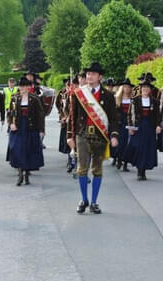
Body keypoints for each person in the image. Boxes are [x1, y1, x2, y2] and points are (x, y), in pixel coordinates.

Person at [67, 62, 118, 214]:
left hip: (99, 136)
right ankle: (84, 199)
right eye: (88, 74)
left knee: (97, 169)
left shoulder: (108, 96)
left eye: (93, 74)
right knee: (82, 169)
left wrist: (114, 135)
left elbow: (113, 119)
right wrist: (70, 136)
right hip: (82, 136)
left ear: (100, 77)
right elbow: (72, 116)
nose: (89, 76)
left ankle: (94, 202)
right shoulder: (78, 94)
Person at [7, 77, 45, 186]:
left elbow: (40, 115)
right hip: (18, 127)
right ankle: (20, 174)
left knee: (28, 150)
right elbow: (10, 114)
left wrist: (41, 130)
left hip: (31, 128)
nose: (23, 88)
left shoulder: (35, 98)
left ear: (29, 87)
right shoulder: (14, 98)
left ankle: (27, 174)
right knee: (17, 149)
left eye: (25, 86)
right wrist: (11, 124)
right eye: (21, 86)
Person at [123, 79, 161, 180]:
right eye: (143, 87)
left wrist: (158, 126)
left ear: (150, 90)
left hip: (149, 127)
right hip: (138, 127)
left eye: (147, 88)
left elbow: (158, 116)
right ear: (141, 89)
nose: (145, 89)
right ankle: (139, 169)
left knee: (147, 148)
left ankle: (143, 170)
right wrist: (131, 127)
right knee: (138, 148)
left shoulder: (155, 101)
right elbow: (129, 115)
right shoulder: (135, 100)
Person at [114, 78, 134, 171]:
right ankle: (119, 159)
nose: (126, 88)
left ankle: (125, 163)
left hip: (129, 122)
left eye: (128, 87)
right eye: (125, 86)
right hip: (120, 123)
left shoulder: (133, 99)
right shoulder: (118, 98)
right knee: (120, 143)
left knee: (128, 143)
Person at [56, 78, 74, 172]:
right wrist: (63, 116)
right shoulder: (64, 95)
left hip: (75, 123)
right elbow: (61, 107)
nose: (69, 88)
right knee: (68, 142)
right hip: (66, 123)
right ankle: (70, 161)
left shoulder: (76, 96)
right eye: (68, 86)